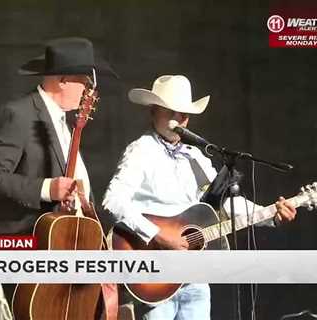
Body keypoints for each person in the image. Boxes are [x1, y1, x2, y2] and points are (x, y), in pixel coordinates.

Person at [102, 75, 297, 320]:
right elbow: (113, 201)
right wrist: (160, 236)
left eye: (184, 113)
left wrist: (271, 215)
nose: (180, 119)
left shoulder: (196, 156)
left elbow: (224, 202)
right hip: (154, 274)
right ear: (153, 111)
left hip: (194, 277)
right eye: (172, 111)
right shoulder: (141, 150)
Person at [0, 37, 116, 306]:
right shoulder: (18, 114)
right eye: (85, 82)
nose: (89, 91)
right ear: (62, 80)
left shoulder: (66, 122)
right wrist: (47, 188)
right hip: (25, 246)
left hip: (64, 250)